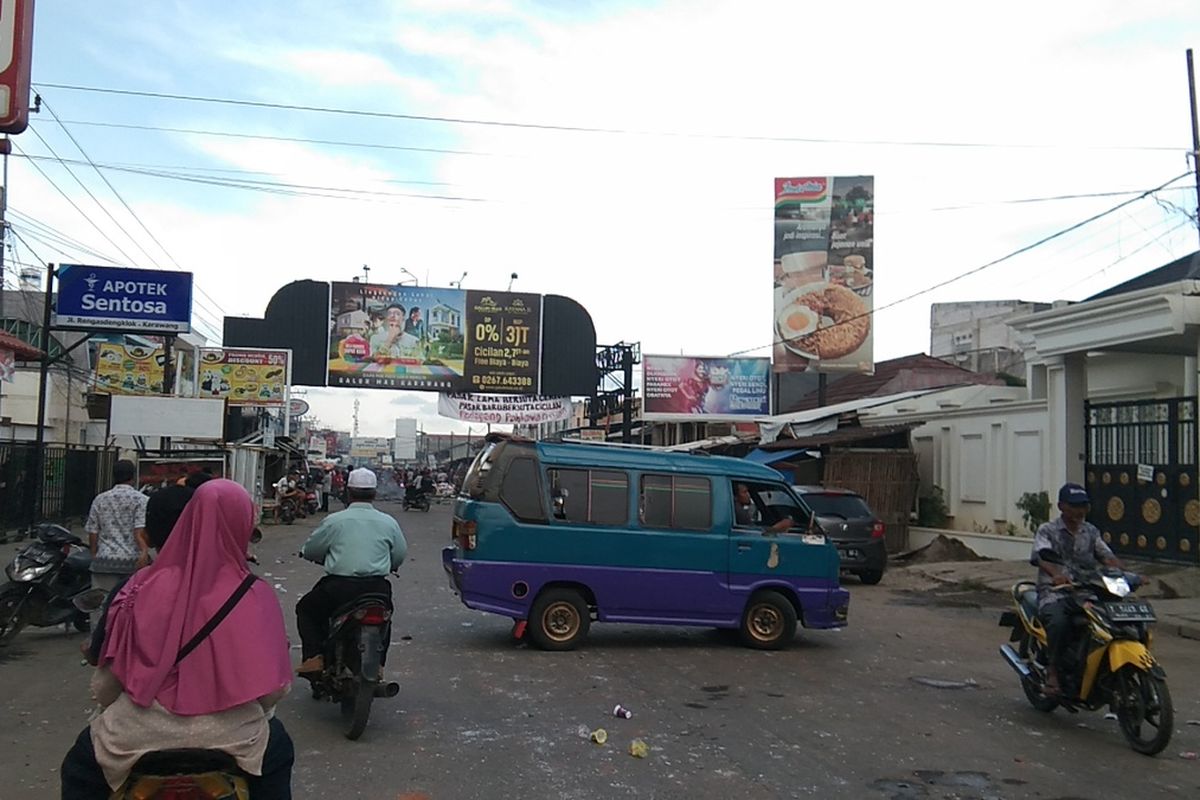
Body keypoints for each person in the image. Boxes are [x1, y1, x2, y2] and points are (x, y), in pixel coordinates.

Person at [61, 480, 295, 798]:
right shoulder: (255, 594)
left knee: (80, 768)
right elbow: (273, 692)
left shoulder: (138, 587)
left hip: (132, 737)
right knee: (278, 754)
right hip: (235, 741)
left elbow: (107, 685)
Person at [296, 468, 407, 674]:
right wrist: (390, 564)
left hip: (339, 588)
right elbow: (399, 554)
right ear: (374, 494)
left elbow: (312, 550)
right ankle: (379, 665)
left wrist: (316, 557)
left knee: (307, 609)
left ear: (348, 492)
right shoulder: (388, 522)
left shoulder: (335, 520)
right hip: (377, 587)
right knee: (385, 620)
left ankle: (313, 657)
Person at [1032, 482, 1129, 697]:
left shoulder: (1090, 531)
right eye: (1074, 506)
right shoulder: (1047, 530)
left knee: (1115, 620)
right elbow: (1041, 557)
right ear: (1061, 506)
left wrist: (1126, 573)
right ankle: (1053, 672)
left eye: (1083, 506)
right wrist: (1056, 574)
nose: (1080, 511)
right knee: (1058, 622)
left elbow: (1106, 555)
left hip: (1087, 590)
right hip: (1055, 592)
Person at [85, 460, 150, 597]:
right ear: (133, 477)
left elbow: (93, 531)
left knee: (101, 602)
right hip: (133, 561)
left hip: (104, 560)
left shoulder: (100, 499)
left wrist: (94, 554)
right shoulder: (141, 500)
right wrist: (144, 552)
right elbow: (139, 530)